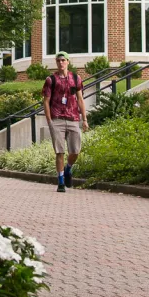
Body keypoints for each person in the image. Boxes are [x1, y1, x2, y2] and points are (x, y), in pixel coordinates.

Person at [42, 51, 89, 192]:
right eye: (58, 60)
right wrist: (49, 120)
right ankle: (61, 181)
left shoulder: (76, 78)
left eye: (63, 60)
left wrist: (84, 119)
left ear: (68, 62)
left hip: (73, 118)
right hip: (57, 119)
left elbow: (80, 99)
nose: (61, 62)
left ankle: (68, 169)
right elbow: (46, 101)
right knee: (60, 152)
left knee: (75, 151)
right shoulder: (51, 80)